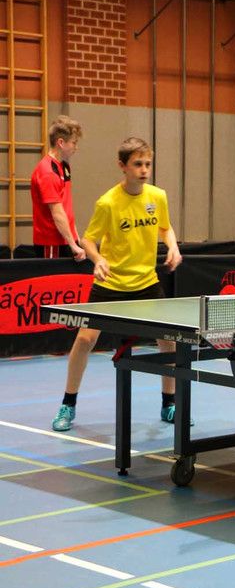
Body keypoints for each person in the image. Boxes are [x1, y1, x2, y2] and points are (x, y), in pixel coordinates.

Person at [52, 137, 183, 432]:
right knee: (85, 340)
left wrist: (172, 246)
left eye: (147, 164)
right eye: (137, 164)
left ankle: (169, 403)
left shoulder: (157, 197)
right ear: (122, 166)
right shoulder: (108, 202)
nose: (144, 169)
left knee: (169, 340)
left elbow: (165, 227)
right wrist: (98, 259)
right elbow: (88, 240)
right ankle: (68, 404)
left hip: (146, 282)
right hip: (111, 283)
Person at [31, 116, 86, 261]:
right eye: (74, 142)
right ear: (61, 143)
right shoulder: (48, 172)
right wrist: (73, 245)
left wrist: (76, 239)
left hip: (66, 239)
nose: (76, 147)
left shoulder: (64, 166)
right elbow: (57, 212)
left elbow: (66, 208)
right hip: (51, 243)